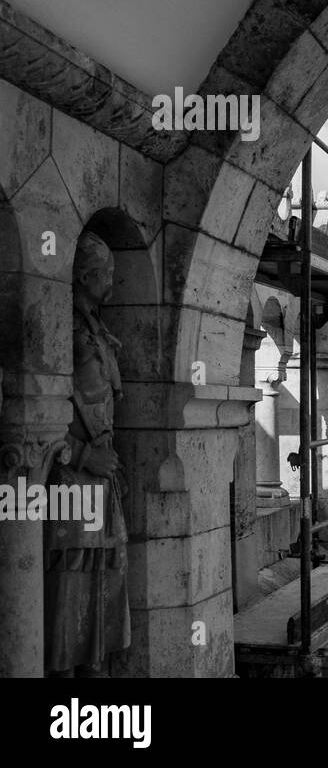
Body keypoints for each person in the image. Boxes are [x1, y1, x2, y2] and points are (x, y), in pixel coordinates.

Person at [45, 231, 130, 675]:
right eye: (105, 272)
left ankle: (94, 676)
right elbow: (39, 415)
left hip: (102, 478)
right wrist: (81, 457)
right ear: (83, 275)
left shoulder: (97, 330)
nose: (113, 280)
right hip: (72, 480)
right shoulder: (65, 329)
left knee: (104, 578)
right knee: (71, 583)